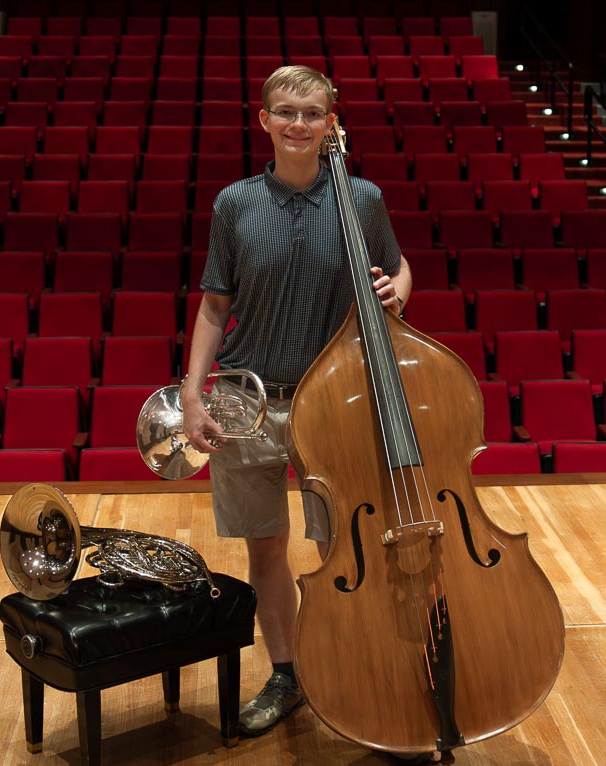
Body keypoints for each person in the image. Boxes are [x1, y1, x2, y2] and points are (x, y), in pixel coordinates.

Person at [180, 64, 412, 738]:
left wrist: (400, 287)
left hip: (334, 401)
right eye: (287, 112)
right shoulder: (234, 203)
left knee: (342, 547)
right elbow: (215, 305)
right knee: (266, 551)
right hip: (246, 401)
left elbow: (396, 269)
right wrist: (194, 395)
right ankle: (286, 676)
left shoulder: (362, 198)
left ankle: (354, 671)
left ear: (331, 121)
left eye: (313, 113)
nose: (299, 124)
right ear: (264, 120)